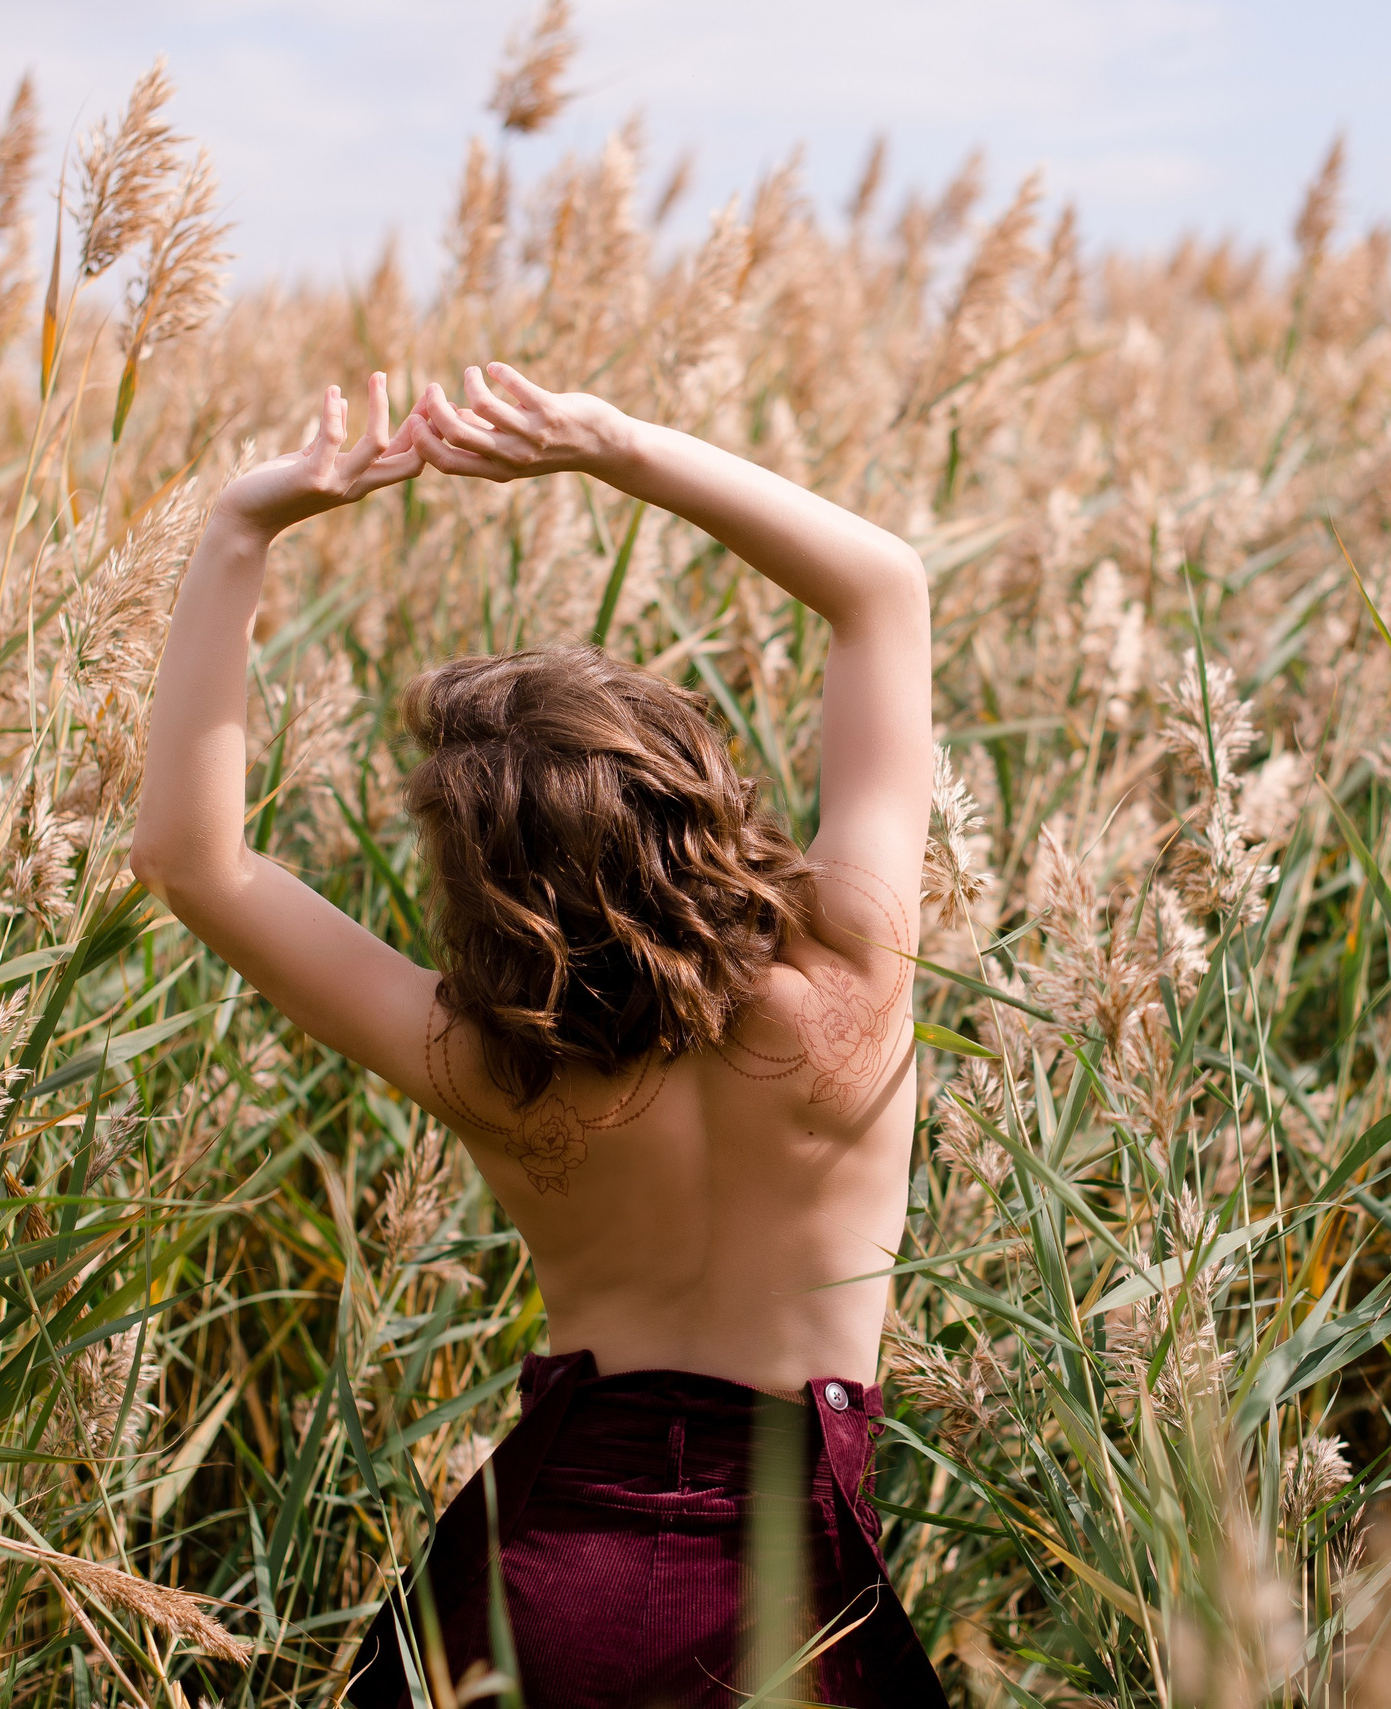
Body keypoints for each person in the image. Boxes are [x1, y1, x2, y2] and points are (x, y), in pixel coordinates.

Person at [130, 364, 948, 1707]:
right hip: (781, 1600)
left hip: (530, 1588)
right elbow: (882, 589)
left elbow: (191, 858)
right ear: (686, 784)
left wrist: (241, 529)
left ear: (484, 881)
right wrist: (613, 448)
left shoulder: (496, 1061)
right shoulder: (850, 976)